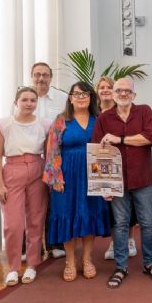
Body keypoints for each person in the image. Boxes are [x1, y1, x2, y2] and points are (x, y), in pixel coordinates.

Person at [92, 77, 152, 289]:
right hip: (116, 182)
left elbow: (150, 137)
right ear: (112, 94)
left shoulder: (144, 111)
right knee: (121, 224)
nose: (123, 94)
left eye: (127, 91)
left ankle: (150, 263)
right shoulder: (104, 118)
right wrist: (104, 184)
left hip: (142, 178)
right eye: (119, 91)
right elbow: (98, 151)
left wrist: (120, 139)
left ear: (134, 95)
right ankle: (121, 266)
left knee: (148, 223)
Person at [43, 82, 111, 281]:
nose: (81, 97)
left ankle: (87, 259)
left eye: (86, 94)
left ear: (91, 98)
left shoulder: (99, 119)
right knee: (68, 216)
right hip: (67, 176)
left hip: (93, 175)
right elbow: (52, 150)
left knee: (89, 216)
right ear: (70, 98)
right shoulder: (61, 120)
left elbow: (106, 148)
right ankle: (70, 261)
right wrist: (56, 178)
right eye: (77, 94)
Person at [0, 87, 51, 286]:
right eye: (24, 99)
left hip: (37, 169)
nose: (29, 103)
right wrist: (0, 184)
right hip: (13, 170)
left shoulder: (44, 124)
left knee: (36, 220)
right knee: (13, 224)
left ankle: (33, 264)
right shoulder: (3, 124)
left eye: (32, 100)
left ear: (36, 103)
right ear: (16, 102)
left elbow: (49, 153)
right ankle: (13, 267)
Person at [96, 76, 138, 261]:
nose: (105, 90)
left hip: (127, 167)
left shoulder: (124, 110)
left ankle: (128, 240)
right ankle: (115, 242)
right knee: (110, 209)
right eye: (102, 87)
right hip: (103, 166)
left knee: (128, 208)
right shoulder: (93, 112)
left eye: (109, 87)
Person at [31, 62, 68, 259]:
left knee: (55, 201)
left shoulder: (62, 99)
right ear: (31, 76)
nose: (41, 78)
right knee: (34, 203)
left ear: (51, 77)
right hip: (33, 156)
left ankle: (55, 244)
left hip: (55, 156)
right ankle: (31, 247)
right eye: (37, 75)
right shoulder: (25, 97)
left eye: (45, 75)